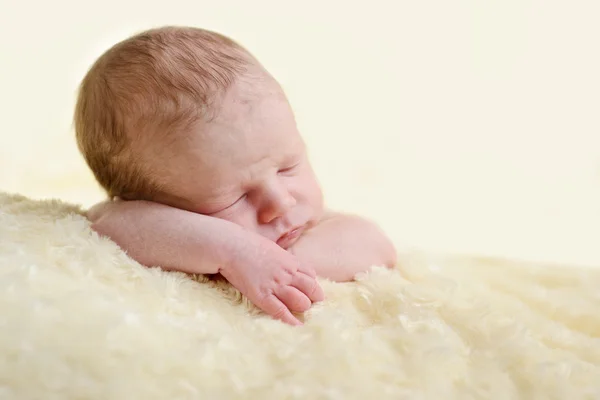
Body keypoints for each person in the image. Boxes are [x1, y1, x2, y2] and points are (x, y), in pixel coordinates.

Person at [76, 26, 396, 325]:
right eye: (235, 197)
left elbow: (375, 245)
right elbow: (109, 222)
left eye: (288, 167)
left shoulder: (316, 228)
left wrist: (279, 265)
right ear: (151, 204)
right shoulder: (144, 228)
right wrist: (232, 251)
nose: (281, 202)